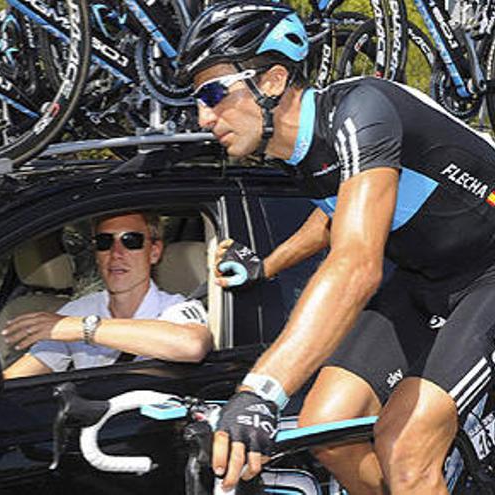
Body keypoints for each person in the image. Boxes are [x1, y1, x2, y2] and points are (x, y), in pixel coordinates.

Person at [174, 1, 495, 493]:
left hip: (488, 273)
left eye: (214, 93)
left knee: (405, 448)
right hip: (425, 279)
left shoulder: (362, 110)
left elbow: (355, 266)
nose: (203, 117)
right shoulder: (296, 152)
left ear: (274, 80)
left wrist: (260, 392)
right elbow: (333, 216)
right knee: (326, 428)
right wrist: (265, 266)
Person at [0, 212, 213, 380]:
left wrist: (78, 328)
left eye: (132, 241)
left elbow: (191, 344)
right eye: (104, 242)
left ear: (155, 251)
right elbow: (12, 383)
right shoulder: (81, 307)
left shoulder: (175, 308)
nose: (117, 253)